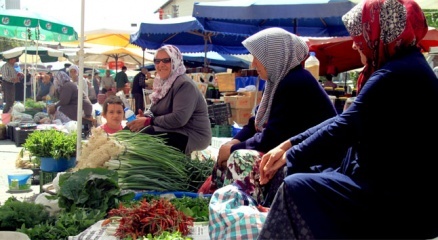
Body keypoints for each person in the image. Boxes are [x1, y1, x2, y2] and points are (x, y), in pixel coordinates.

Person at [258, 1, 438, 239]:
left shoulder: (394, 74)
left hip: (399, 201)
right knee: (301, 175)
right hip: (396, 191)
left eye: (360, 36)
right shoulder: (406, 66)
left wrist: (290, 153)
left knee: (296, 187)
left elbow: (344, 127)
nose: (354, 45)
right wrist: (288, 146)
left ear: (379, 33)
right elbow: (346, 119)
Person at [207, 27, 338, 205]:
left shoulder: (296, 82)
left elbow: (272, 138)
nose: (253, 64)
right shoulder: (278, 82)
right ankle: (217, 206)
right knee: (230, 152)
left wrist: (232, 150)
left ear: (274, 57)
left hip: (314, 159)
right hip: (290, 152)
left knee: (241, 158)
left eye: (257, 57)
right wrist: (232, 143)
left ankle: (243, 215)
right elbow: (255, 124)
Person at [126, 45, 212, 155]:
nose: (161, 64)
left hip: (192, 134)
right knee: (130, 128)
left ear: (176, 61)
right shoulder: (162, 84)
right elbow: (155, 111)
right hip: (173, 129)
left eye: (166, 60)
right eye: (157, 61)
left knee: (146, 134)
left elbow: (178, 119)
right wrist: (145, 117)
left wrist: (149, 121)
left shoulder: (184, 85)